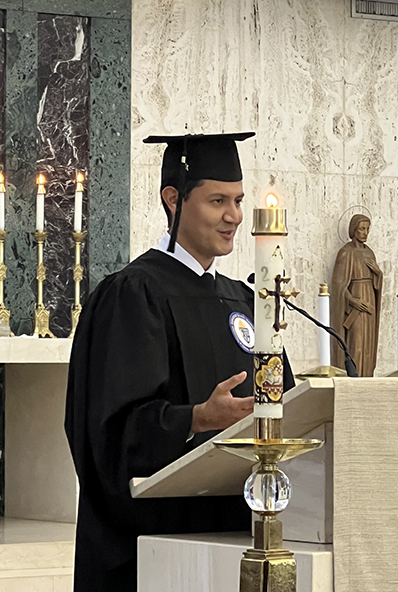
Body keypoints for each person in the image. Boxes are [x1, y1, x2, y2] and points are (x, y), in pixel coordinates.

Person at [65, 132, 295, 592]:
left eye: (238, 200)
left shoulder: (245, 300)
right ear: (173, 200)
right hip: (151, 550)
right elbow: (106, 435)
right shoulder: (132, 294)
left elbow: (283, 405)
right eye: (217, 201)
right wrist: (195, 419)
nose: (233, 216)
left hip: (235, 538)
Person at [330, 214, 383, 376]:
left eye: (367, 229)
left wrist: (378, 273)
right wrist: (353, 301)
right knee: (356, 343)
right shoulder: (346, 253)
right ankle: (354, 376)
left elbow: (377, 281)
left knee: (367, 344)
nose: (365, 233)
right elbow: (339, 284)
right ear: (353, 230)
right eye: (361, 229)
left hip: (369, 300)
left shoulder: (370, 253)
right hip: (355, 301)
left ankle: (366, 375)